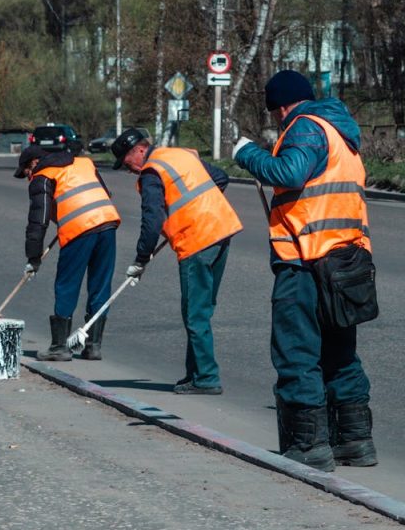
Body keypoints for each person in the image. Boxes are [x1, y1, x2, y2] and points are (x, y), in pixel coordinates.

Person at [233, 69, 377, 472]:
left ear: (281, 106)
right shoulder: (340, 133)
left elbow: (289, 173)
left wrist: (248, 153)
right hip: (346, 260)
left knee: (297, 352)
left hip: (305, 261)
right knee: (340, 352)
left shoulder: (304, 128)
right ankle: (354, 440)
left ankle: (308, 444)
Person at [111, 127, 242, 395]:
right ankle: (195, 373)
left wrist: (140, 258)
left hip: (197, 240)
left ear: (139, 150)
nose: (130, 170)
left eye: (127, 164)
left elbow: (151, 221)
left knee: (195, 313)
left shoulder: (151, 173)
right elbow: (221, 178)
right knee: (202, 308)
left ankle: (206, 378)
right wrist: (204, 207)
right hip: (221, 231)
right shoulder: (179, 155)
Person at [15, 144, 121, 362]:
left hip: (80, 230)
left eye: (26, 172)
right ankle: (93, 346)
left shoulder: (43, 176)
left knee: (67, 284)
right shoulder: (84, 163)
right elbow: (103, 193)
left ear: (34, 163)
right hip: (107, 223)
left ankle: (59, 347)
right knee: (100, 285)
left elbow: (38, 220)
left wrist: (33, 258)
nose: (28, 176)